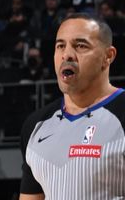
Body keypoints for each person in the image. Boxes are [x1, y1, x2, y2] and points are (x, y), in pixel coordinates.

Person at [19, 14, 124, 199]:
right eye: (60, 46)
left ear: (108, 56)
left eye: (80, 46)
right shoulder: (36, 125)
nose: (66, 54)